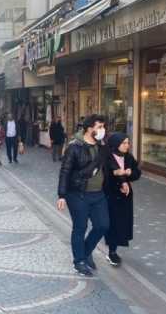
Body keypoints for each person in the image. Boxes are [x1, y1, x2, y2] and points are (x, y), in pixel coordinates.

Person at [57, 114, 109, 277]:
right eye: (99, 127)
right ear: (89, 128)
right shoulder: (75, 146)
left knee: (103, 225)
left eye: (103, 127)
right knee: (80, 227)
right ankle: (79, 261)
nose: (102, 130)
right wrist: (62, 195)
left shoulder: (101, 145)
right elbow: (65, 171)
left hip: (98, 194)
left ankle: (85, 251)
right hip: (78, 194)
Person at [103, 133, 141, 267]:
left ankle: (113, 250)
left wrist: (131, 173)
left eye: (128, 143)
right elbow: (102, 175)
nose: (127, 145)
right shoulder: (106, 157)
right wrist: (115, 175)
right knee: (110, 224)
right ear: (115, 144)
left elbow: (137, 173)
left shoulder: (129, 157)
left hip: (124, 197)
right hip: (109, 196)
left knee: (121, 224)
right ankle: (111, 252)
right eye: (124, 143)